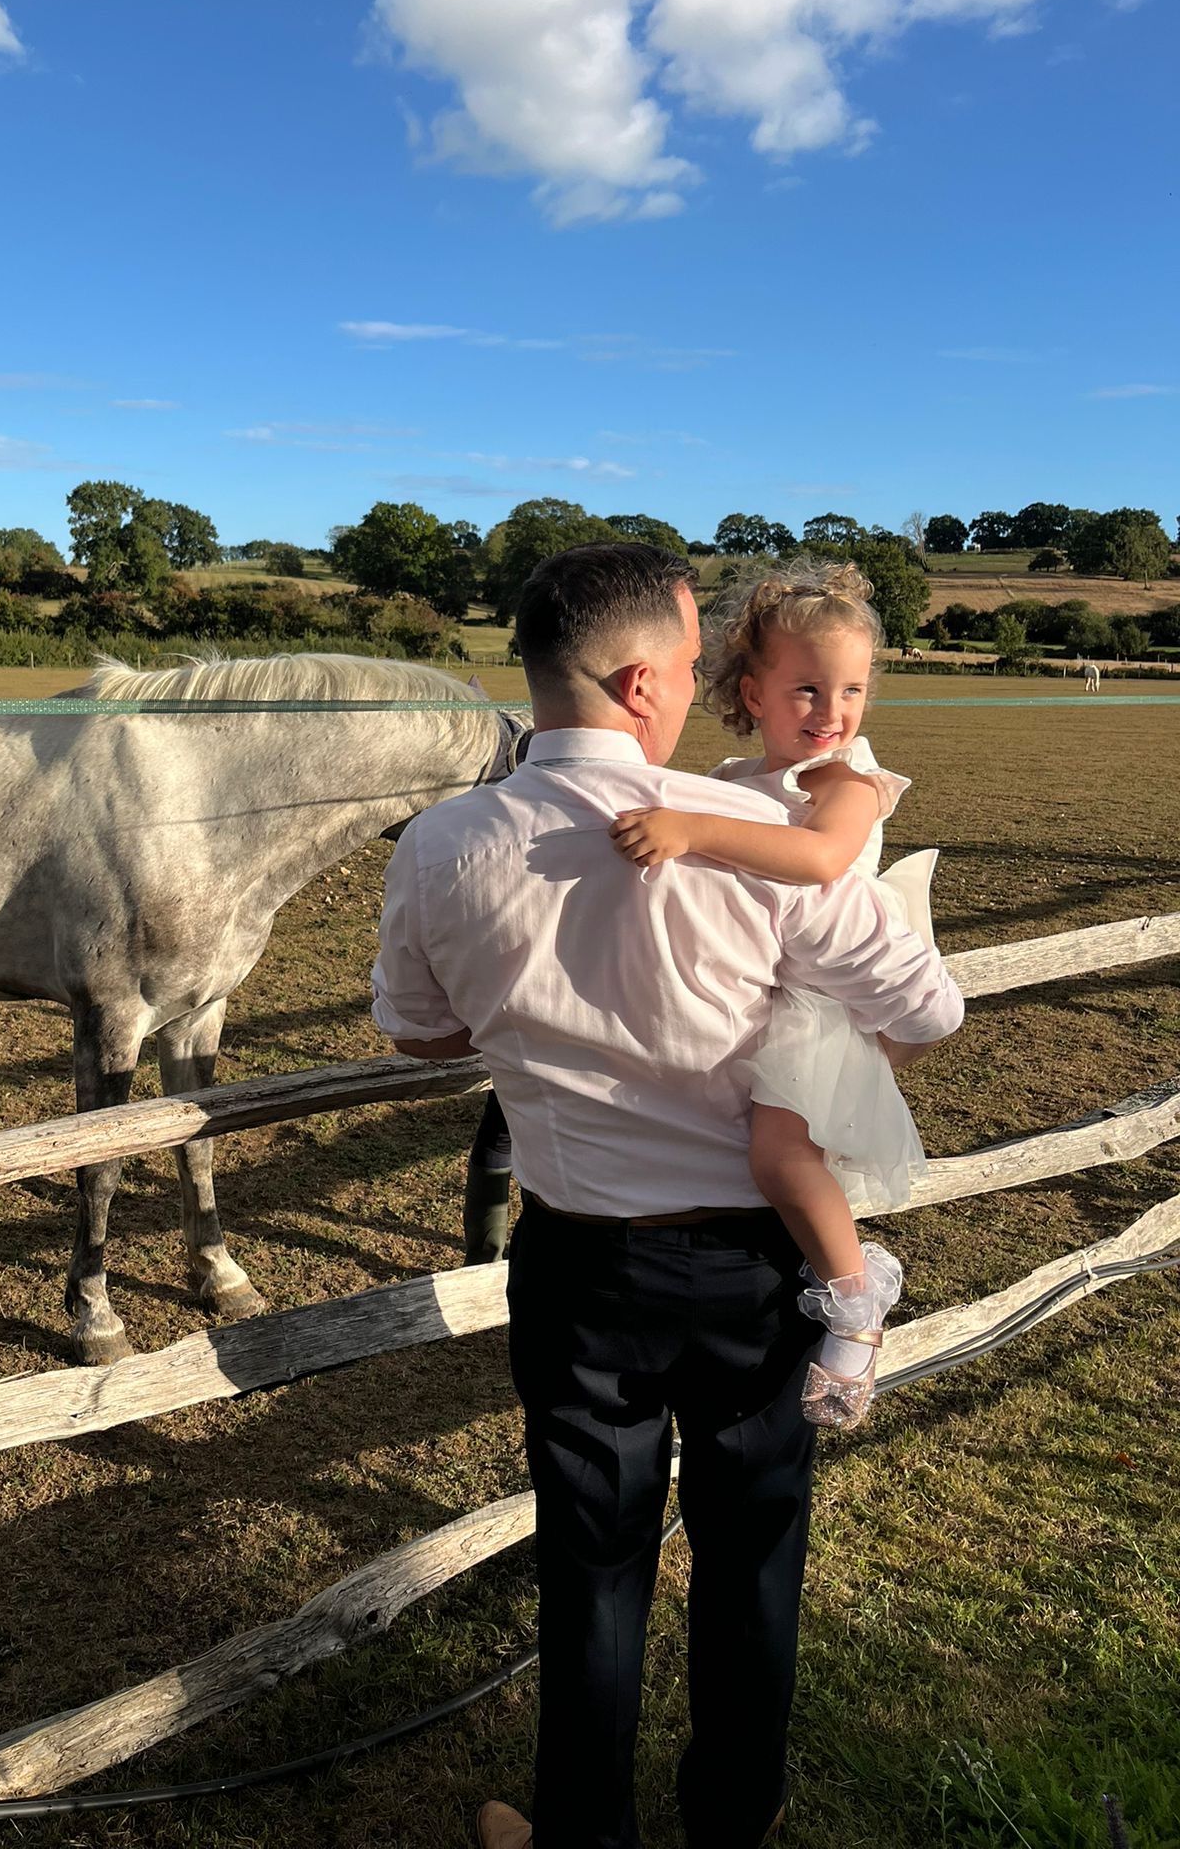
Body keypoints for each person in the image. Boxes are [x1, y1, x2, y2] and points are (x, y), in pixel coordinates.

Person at [371, 542, 963, 1849]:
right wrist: (822, 1068)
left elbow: (417, 1033)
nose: (702, 690)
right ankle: (733, 1817)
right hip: (757, 1267)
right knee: (753, 1556)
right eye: (697, 669)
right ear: (643, 682)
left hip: (580, 1260)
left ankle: (582, 1832)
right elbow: (930, 1005)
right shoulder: (755, 838)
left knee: (595, 1566)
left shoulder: (442, 843)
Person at [608, 561, 938, 1427]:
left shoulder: (844, 785)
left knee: (780, 1156)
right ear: (751, 693)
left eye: (853, 690)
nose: (832, 714)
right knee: (757, 1147)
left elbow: (820, 862)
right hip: (756, 989)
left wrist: (694, 829)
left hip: (818, 1001)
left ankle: (856, 1302)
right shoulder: (727, 773)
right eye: (807, 690)